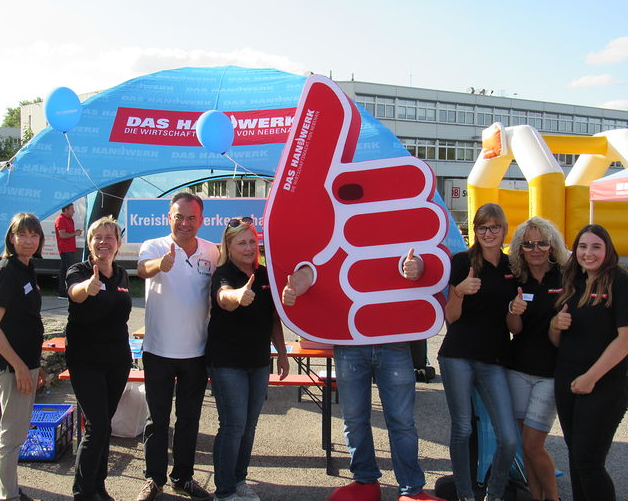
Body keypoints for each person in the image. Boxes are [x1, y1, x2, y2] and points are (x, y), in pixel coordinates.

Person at [283, 249, 444, 501]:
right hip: (349, 340)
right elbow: (318, 260)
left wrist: (418, 266)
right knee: (355, 419)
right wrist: (298, 285)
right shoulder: (338, 215)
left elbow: (416, 249)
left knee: (401, 421)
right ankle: (365, 480)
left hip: (392, 338)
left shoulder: (392, 213)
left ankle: (411, 489)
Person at [136, 192, 220, 501]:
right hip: (157, 350)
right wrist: (162, 263)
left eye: (191, 218)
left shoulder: (212, 252)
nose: (184, 223)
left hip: (196, 353)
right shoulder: (154, 246)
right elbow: (143, 269)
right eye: (178, 217)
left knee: (189, 420)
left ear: (201, 220)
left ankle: (183, 477)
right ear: (168, 217)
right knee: (157, 421)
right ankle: (154, 479)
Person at [438, 202, 517, 501]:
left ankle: (493, 495)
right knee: (462, 429)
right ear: (475, 231)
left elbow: (514, 320)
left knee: (508, 438)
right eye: (482, 227)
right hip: (457, 355)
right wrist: (460, 290)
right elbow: (451, 316)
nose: (488, 232)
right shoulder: (461, 261)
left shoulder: (512, 266)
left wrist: (516, 310)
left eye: (494, 226)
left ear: (503, 229)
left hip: (494, 357)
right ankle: (465, 495)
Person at [206, 217, 289, 501]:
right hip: (227, 362)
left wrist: (282, 353)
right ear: (229, 246)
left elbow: (273, 319)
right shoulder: (223, 273)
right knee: (233, 425)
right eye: (242, 242)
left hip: (258, 361)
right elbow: (222, 297)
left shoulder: (265, 275)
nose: (249, 247)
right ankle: (225, 490)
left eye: (253, 241)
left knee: (249, 425)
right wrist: (238, 295)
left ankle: (239, 479)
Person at [549, 224, 628, 501]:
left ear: (607, 250)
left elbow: (625, 340)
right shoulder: (573, 282)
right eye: (582, 246)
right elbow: (557, 340)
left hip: (604, 384)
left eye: (596, 246)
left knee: (588, 463)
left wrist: (591, 377)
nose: (588, 253)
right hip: (568, 380)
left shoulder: (619, 281)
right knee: (576, 459)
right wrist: (555, 325)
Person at [64, 215, 133, 501]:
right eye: (98, 237)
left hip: (117, 360)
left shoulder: (122, 274)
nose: (103, 242)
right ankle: (82, 492)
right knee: (98, 426)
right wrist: (87, 288)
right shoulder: (78, 271)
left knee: (105, 423)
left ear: (118, 244)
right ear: (89, 243)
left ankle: (98, 487)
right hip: (86, 360)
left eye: (109, 237)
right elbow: (75, 293)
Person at [505, 217, 568, 501]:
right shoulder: (518, 279)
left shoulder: (567, 277)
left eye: (542, 242)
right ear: (520, 248)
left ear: (552, 245)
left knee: (533, 444)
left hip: (550, 372)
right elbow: (514, 329)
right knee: (524, 445)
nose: (536, 249)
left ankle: (552, 498)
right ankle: (536, 496)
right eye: (528, 244)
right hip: (517, 368)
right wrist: (513, 311)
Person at [0, 213, 45, 501]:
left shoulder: (26, 267)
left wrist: (35, 365)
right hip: (12, 367)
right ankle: (6, 495)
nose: (29, 241)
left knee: (18, 431)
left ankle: (9, 488)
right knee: (12, 435)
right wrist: (20, 367)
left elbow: (26, 319)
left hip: (26, 364)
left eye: (34, 235)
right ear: (11, 237)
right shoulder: (5, 270)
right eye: (23, 235)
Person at [55, 203, 82, 299]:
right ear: (65, 210)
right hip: (65, 249)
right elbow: (62, 235)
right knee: (70, 270)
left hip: (70, 248)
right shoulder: (60, 219)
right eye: (71, 209)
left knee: (63, 271)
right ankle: (68, 291)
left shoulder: (70, 219)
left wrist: (75, 233)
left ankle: (62, 292)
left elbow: (69, 233)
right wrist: (75, 233)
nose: (74, 211)